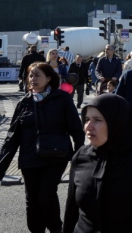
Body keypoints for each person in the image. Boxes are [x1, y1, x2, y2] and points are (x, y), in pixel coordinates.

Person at [63, 94, 132, 233]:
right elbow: (71, 209)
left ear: (116, 122)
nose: (88, 127)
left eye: (97, 120)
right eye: (86, 119)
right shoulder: (81, 155)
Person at [0, 62, 84, 233]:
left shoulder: (62, 98)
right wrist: (1, 166)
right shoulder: (24, 102)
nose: (32, 79)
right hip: (30, 157)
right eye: (30, 75)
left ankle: (55, 229)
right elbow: (12, 137)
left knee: (46, 194)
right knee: (32, 199)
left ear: (49, 78)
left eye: (37, 75)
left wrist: (80, 155)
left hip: (56, 156)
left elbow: (76, 128)